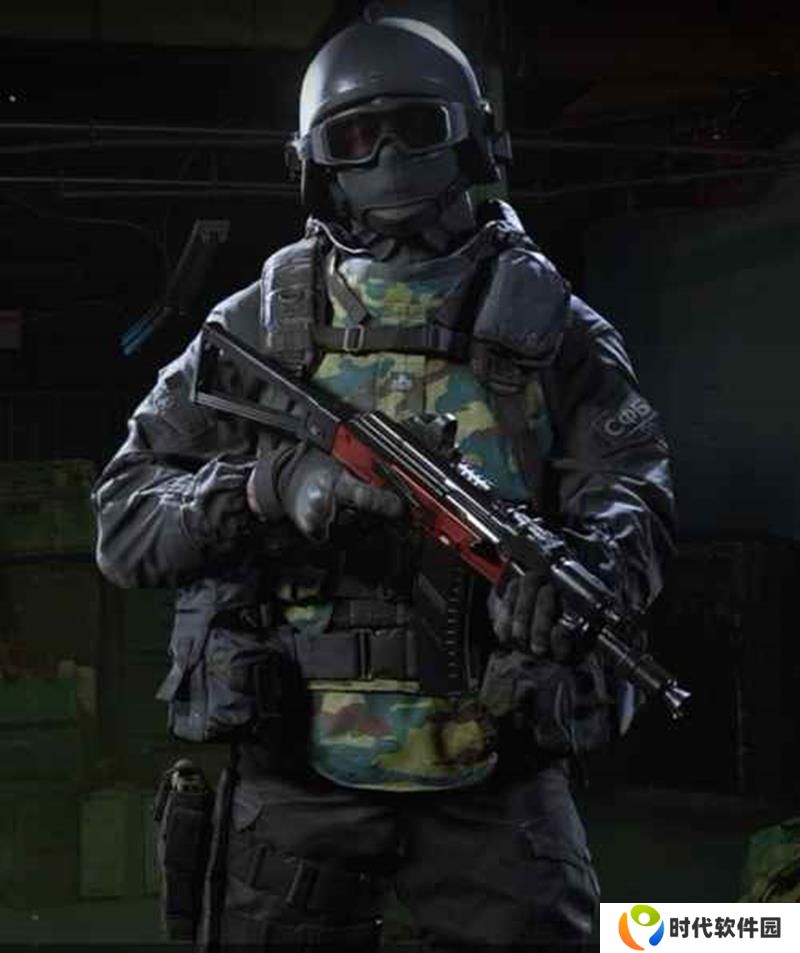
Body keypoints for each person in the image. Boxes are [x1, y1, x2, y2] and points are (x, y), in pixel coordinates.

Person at [93, 15, 675, 952]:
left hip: (494, 768)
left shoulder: (554, 328)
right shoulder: (255, 329)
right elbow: (123, 522)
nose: (389, 155)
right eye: (356, 134)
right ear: (316, 160)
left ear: (469, 135)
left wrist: (585, 568)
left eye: (415, 126)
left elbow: (633, 493)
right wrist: (264, 488)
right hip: (294, 769)